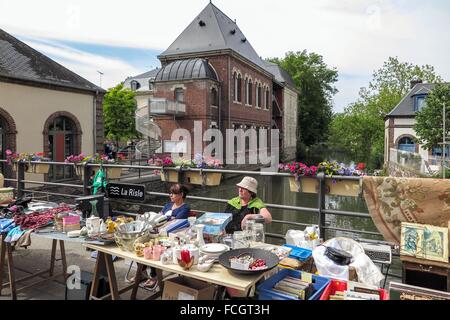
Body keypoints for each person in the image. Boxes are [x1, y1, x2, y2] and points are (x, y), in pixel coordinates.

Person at [129, 184, 190, 289]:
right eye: (170, 193)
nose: (171, 195)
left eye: (174, 193)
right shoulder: (168, 205)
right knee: (139, 243)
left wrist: (162, 219)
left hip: (171, 235)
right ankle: (142, 271)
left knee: (154, 245)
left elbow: (175, 222)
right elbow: (159, 217)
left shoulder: (185, 208)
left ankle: (154, 275)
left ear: (181, 195)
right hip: (157, 231)